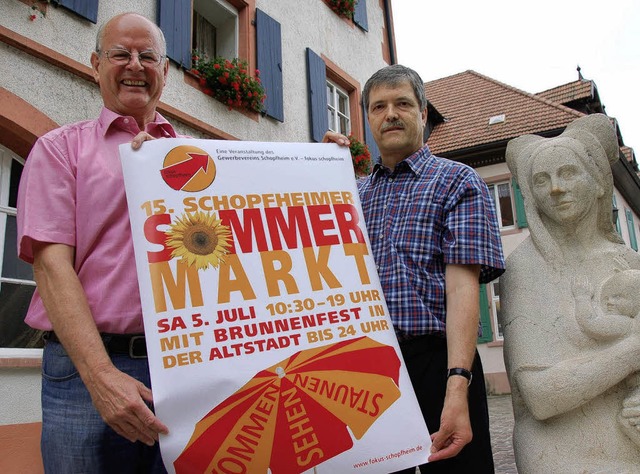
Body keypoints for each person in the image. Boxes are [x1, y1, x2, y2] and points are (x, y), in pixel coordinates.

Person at [17, 12, 178, 473]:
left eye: (148, 56)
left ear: (165, 72)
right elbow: (50, 267)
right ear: (94, 64)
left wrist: (323, 167)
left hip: (182, 368)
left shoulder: (197, 157)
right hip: (84, 370)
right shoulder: (59, 149)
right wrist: (102, 376)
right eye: (120, 54)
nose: (135, 64)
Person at [325, 64, 505, 473]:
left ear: (423, 114)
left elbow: (463, 291)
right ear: (368, 119)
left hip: (437, 362)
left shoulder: (457, 181)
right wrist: (320, 172)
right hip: (366, 371)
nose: (390, 113)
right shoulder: (350, 194)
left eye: (403, 103)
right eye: (378, 106)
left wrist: (456, 384)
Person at [501, 113, 640, 472]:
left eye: (568, 173)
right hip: (561, 449)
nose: (556, 188)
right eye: (542, 180)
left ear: (597, 183)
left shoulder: (630, 262)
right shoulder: (527, 268)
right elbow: (542, 396)